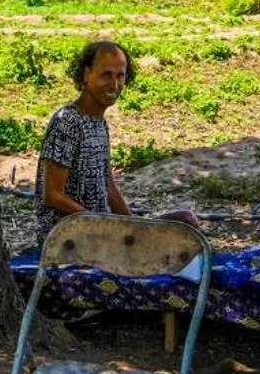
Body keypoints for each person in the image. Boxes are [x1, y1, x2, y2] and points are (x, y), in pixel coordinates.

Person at [35, 40, 197, 246]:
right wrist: (103, 224)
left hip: (100, 231)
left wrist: (133, 226)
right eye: (106, 75)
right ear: (86, 75)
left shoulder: (98, 123)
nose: (114, 84)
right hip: (70, 238)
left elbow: (107, 184)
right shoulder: (67, 122)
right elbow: (52, 195)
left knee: (185, 221)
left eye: (120, 76)